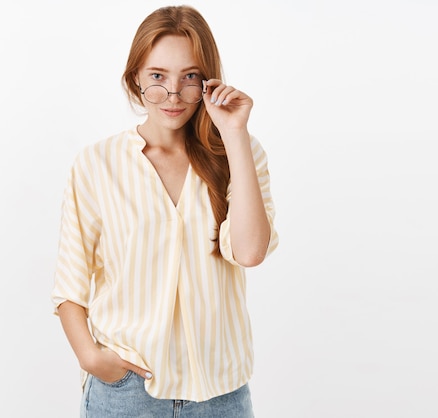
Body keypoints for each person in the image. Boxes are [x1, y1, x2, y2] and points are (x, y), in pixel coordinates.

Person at [51, 5, 278, 417]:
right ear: (135, 76)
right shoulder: (97, 163)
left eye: (189, 77)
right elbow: (70, 285)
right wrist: (91, 358)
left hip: (220, 396)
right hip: (126, 394)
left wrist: (235, 133)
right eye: (157, 77)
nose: (172, 95)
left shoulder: (238, 155)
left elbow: (249, 252)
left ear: (208, 81)